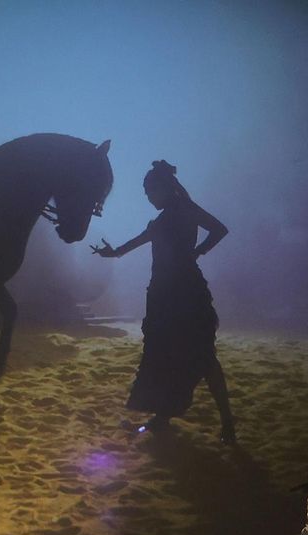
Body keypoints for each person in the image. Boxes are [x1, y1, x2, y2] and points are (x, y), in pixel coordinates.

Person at [92, 160, 235, 443]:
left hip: (174, 295)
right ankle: (170, 417)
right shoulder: (186, 209)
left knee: (191, 356)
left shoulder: (171, 215)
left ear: (164, 188)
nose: (148, 197)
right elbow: (219, 230)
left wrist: (195, 253)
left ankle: (226, 424)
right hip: (181, 291)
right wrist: (197, 252)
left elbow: (141, 240)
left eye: (150, 191)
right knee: (182, 355)